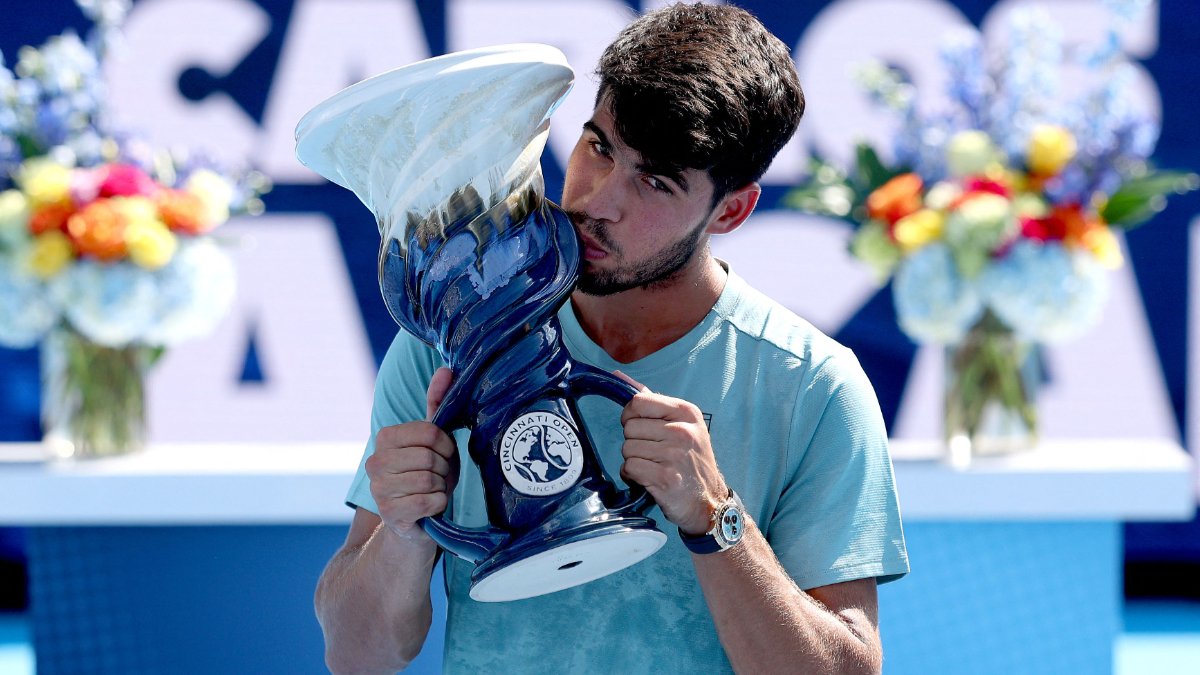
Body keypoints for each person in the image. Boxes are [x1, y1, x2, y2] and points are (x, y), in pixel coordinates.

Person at [315, 3, 908, 673]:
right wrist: (403, 531)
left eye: (654, 181)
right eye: (599, 147)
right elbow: (355, 657)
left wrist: (716, 519)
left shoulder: (814, 384)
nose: (597, 201)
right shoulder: (448, 339)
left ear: (732, 209)